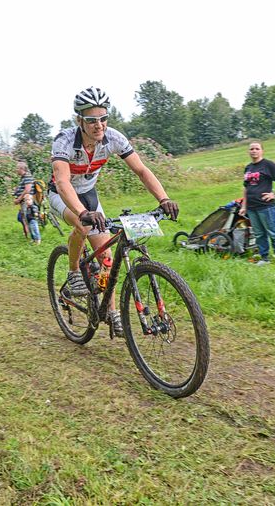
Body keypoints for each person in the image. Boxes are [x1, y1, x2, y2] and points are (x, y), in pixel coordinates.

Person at [48, 86, 179, 337]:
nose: (99, 125)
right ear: (79, 121)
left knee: (107, 258)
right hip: (61, 194)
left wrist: (163, 198)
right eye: (91, 120)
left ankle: (112, 311)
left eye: (103, 118)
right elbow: (63, 182)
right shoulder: (64, 141)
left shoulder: (114, 138)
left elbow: (141, 170)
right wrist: (82, 212)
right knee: (83, 225)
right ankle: (74, 272)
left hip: (89, 193)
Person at [238, 141, 275, 267]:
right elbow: (246, 188)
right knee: (259, 234)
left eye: (257, 148)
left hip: (265, 206)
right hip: (252, 207)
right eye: (251, 149)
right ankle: (264, 258)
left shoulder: (267, 165)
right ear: (248, 151)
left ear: (262, 151)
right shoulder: (248, 168)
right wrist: (244, 206)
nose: (254, 151)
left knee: (273, 232)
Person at [13, 161, 34, 239]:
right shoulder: (23, 177)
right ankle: (27, 233)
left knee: (25, 218)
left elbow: (27, 190)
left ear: (21, 169)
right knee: (22, 217)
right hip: (23, 201)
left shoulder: (27, 176)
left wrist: (19, 199)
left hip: (27, 201)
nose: (16, 170)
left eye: (17, 168)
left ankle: (32, 236)